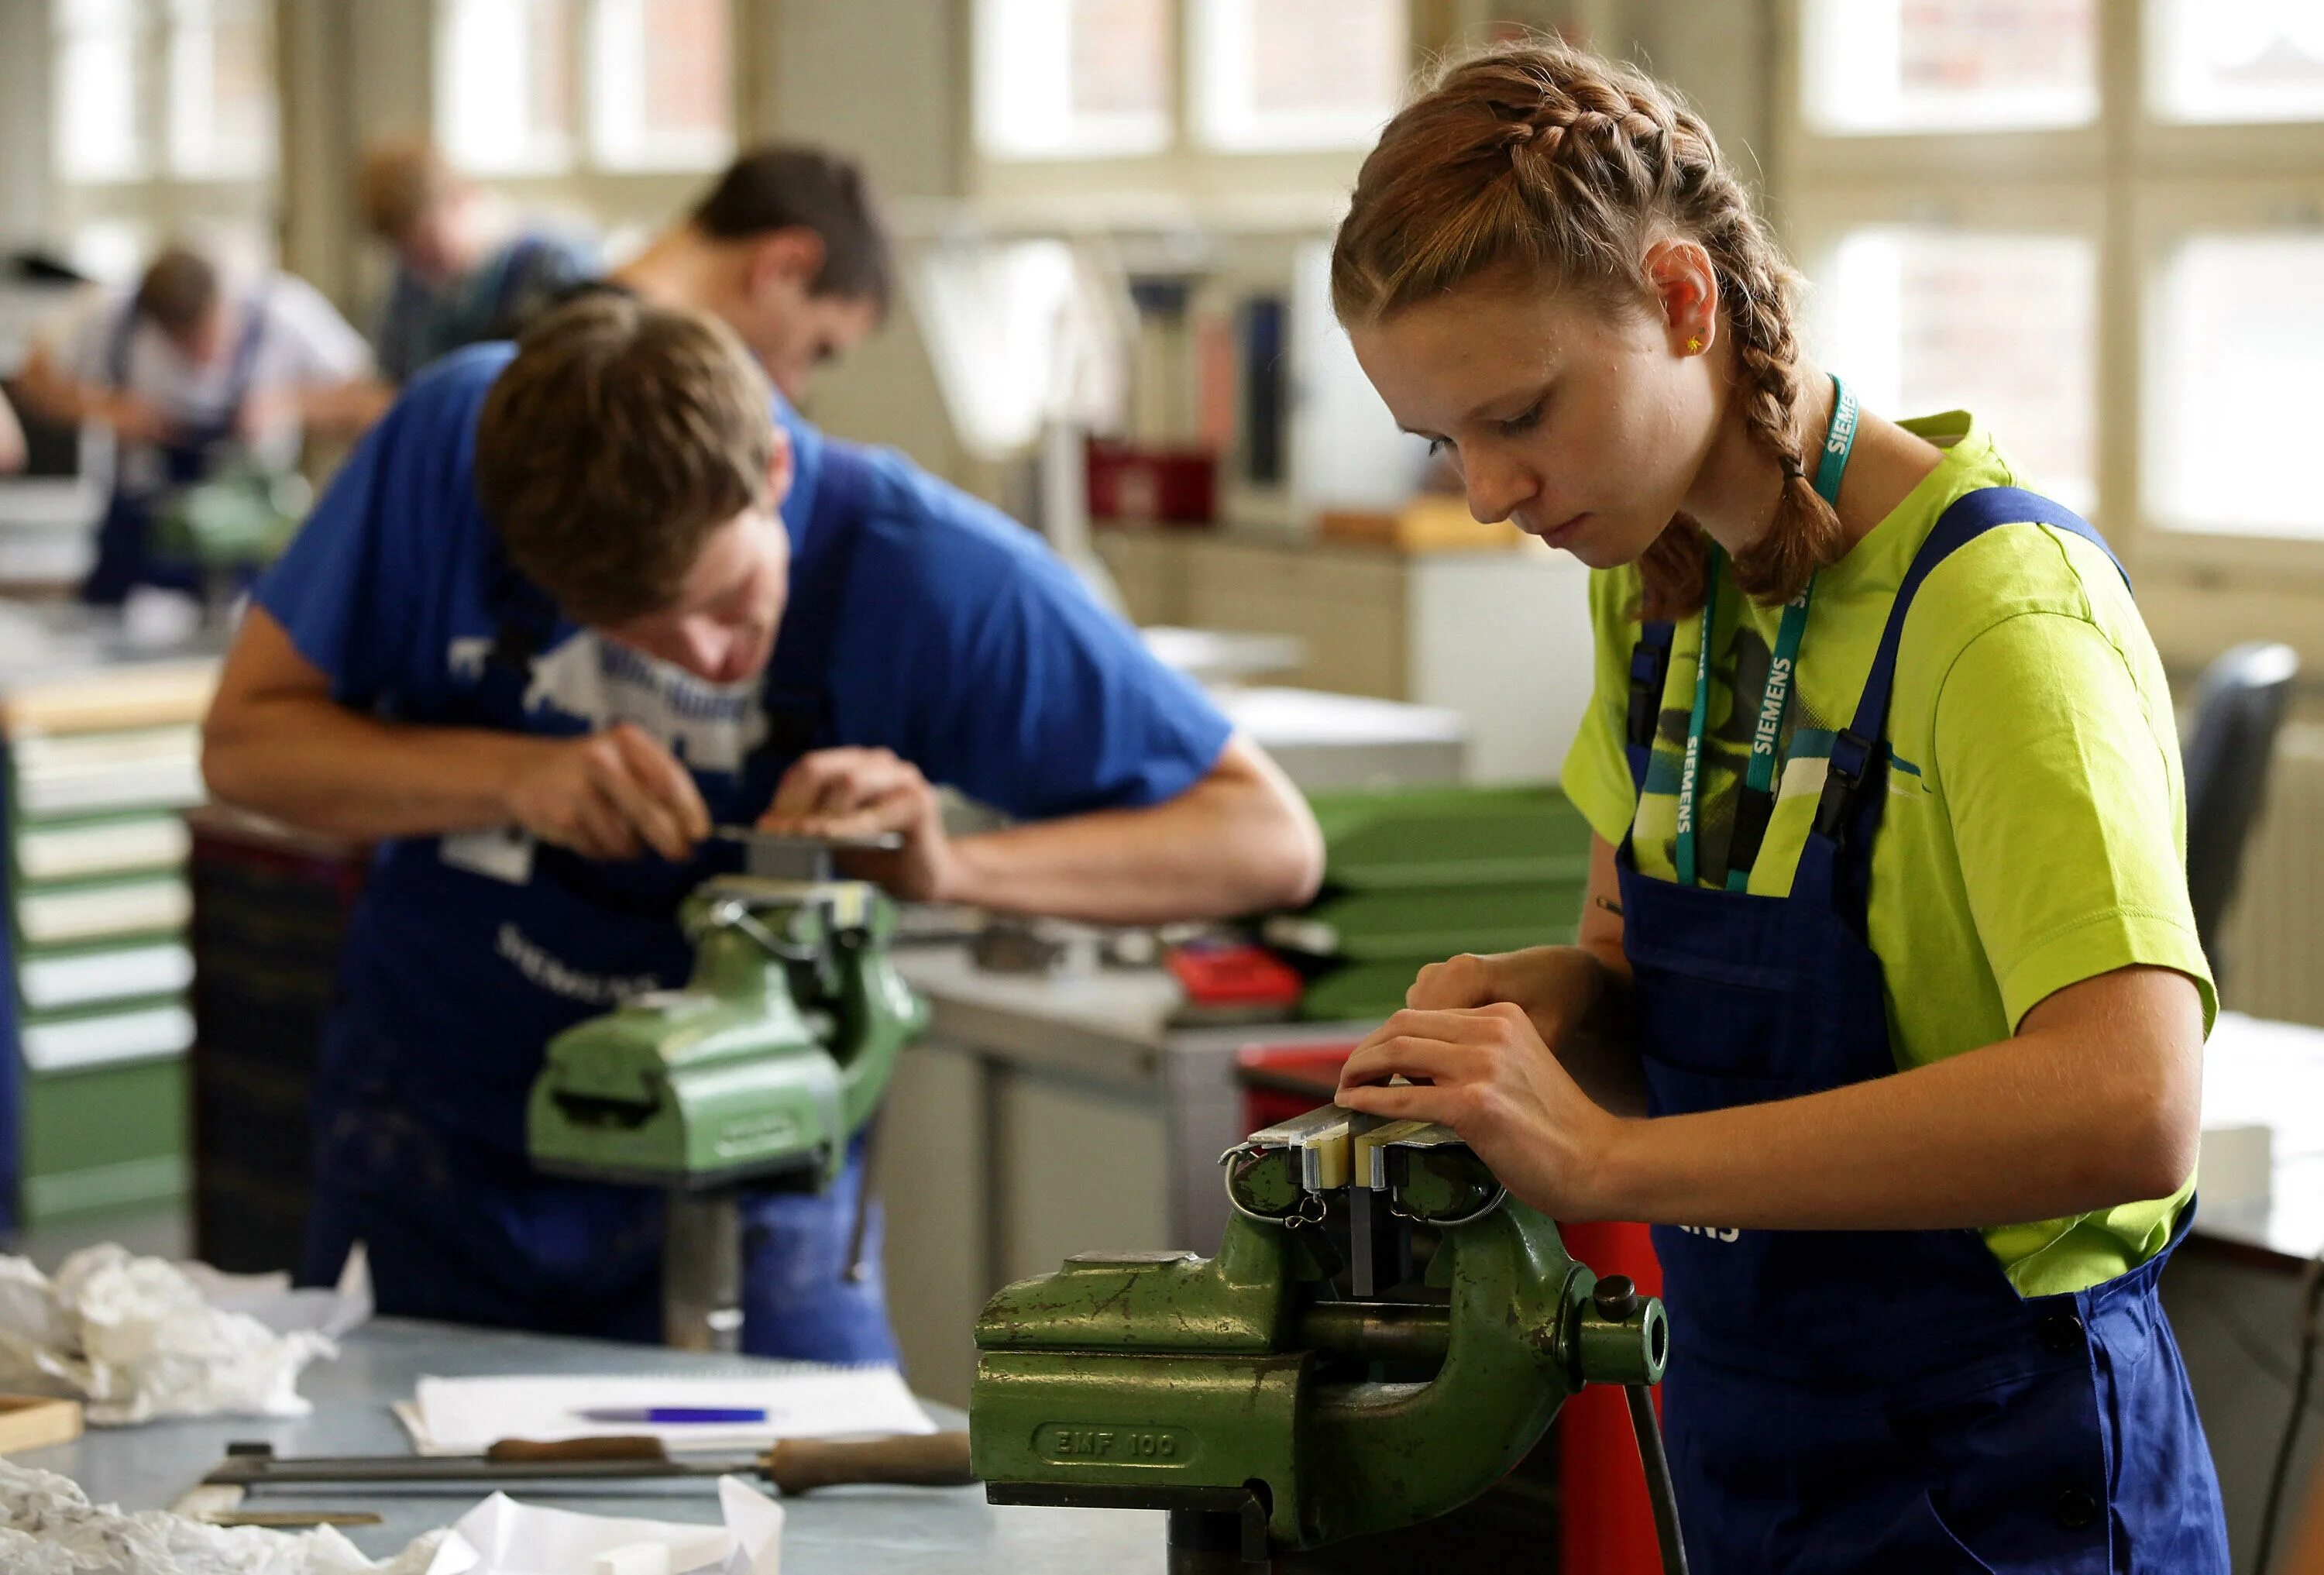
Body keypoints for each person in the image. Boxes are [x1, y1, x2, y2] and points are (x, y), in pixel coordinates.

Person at [1327, 42, 2226, 1572]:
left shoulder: (1999, 618)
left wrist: (1609, 1164)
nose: (1486, 491)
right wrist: (1539, 1016)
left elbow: (2128, 1101)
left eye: (1521, 415)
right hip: (1757, 1454)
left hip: (2009, 1474)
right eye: (1444, 440)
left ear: (1684, 303)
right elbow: (1630, 951)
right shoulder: (1655, 586)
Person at [201, 294, 1322, 1357]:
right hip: (438, 1143)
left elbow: (1265, 840)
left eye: (730, 604)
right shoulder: (453, 445)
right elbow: (244, 746)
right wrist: (505, 777)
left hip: (757, 1171)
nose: (704, 660)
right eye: (636, 631)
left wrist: (949, 867)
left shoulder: (931, 576)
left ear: (776, 469)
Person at [15, 246, 386, 603]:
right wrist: (109, 410)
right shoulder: (112, 315)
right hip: (141, 529)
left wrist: (291, 402)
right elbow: (31, 381)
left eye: (208, 335)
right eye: (183, 343)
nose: (200, 356)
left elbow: (373, 401)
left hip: (250, 535)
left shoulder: (283, 310)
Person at [361, 139, 597, 383]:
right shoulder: (413, 281)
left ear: (461, 197)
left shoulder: (555, 263)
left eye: (428, 245)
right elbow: (392, 376)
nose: (420, 265)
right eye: (408, 254)